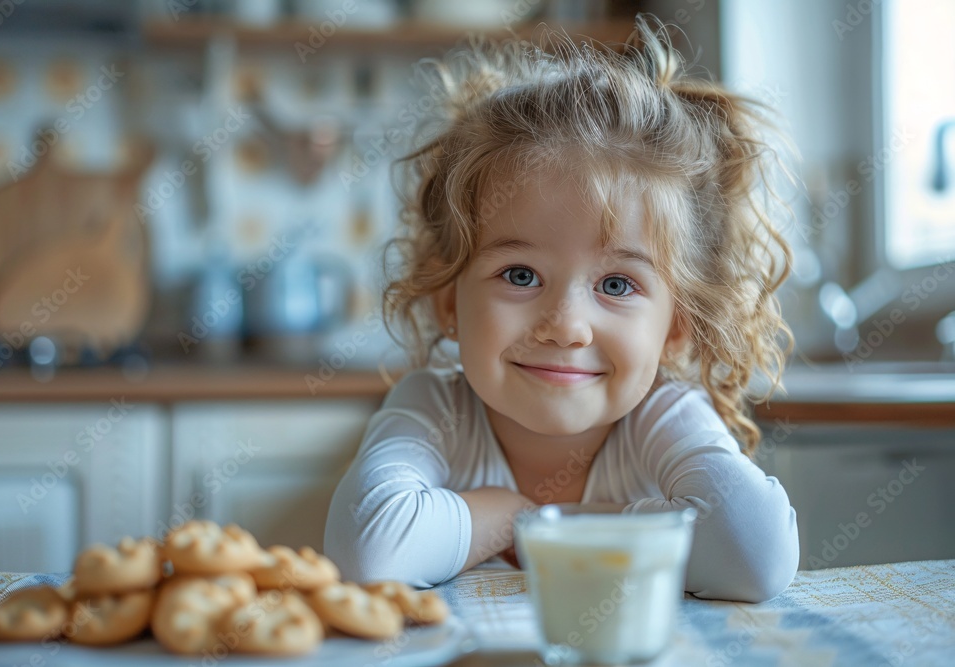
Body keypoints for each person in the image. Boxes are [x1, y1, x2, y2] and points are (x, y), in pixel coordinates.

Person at [324, 14, 800, 603]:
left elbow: (755, 555)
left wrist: (571, 525)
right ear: (450, 303)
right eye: (521, 275)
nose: (568, 326)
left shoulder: (664, 417)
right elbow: (366, 553)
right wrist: (517, 515)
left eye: (619, 285)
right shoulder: (434, 409)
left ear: (677, 328)